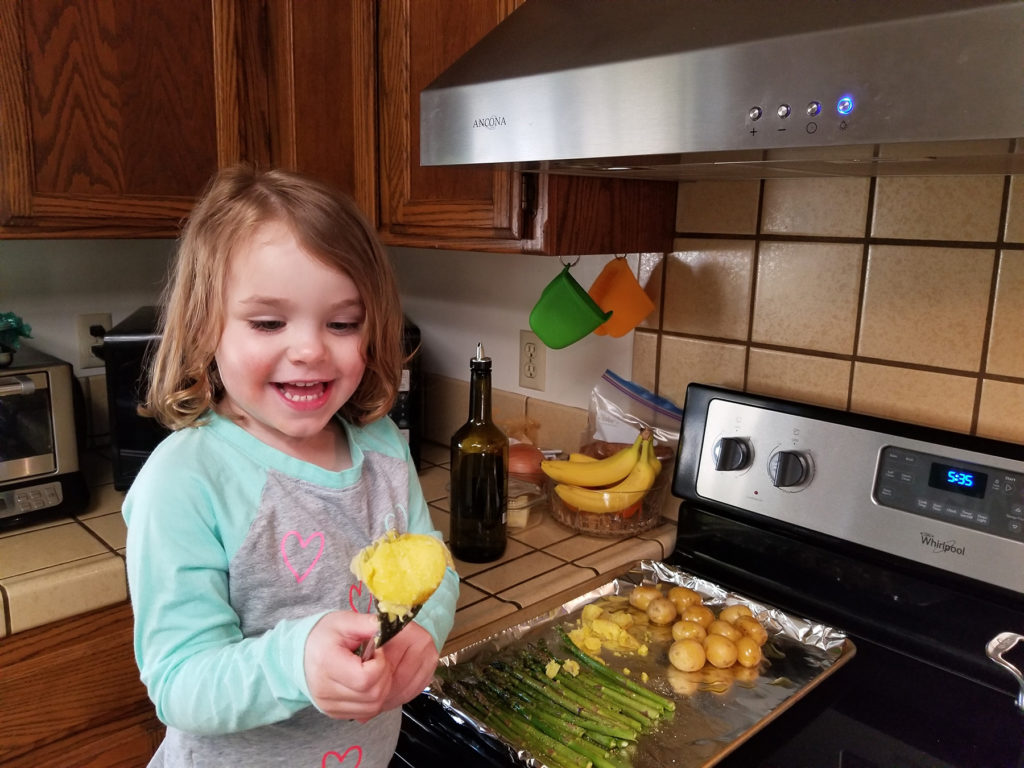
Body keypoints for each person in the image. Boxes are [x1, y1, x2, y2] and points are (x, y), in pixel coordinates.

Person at [123, 164, 458, 767]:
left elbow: (436, 568)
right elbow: (178, 680)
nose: (309, 349)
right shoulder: (185, 481)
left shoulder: (380, 446)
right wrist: (295, 661)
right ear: (206, 325)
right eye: (268, 322)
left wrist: (424, 629)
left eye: (342, 323)